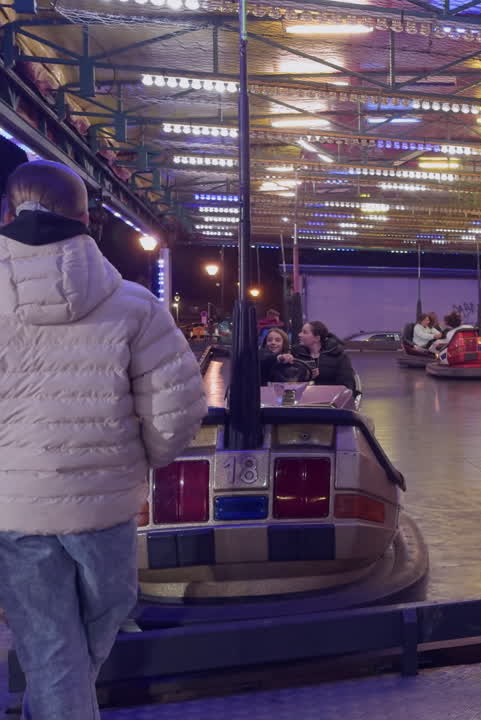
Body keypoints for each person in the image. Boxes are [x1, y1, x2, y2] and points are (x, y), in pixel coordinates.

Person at [0, 160, 206, 719]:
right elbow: (177, 409)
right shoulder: (135, 304)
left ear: (8, 213)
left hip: (13, 511)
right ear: (86, 218)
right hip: (105, 505)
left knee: (50, 647)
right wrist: (143, 461)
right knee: (89, 628)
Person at [292, 320, 358, 393]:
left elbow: (347, 384)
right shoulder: (296, 354)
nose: (299, 335)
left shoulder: (338, 355)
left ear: (317, 338)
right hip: (301, 396)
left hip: (330, 396)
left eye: (304, 332)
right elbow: (290, 381)